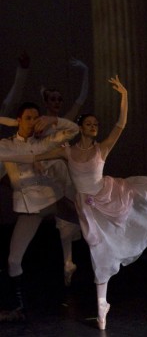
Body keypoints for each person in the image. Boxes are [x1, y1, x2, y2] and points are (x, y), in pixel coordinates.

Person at [29, 76, 147, 330]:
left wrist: (124, 94)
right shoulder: (68, 151)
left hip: (112, 195)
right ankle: (102, 305)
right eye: (89, 124)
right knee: (98, 251)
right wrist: (33, 160)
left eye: (95, 124)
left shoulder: (102, 148)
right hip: (89, 207)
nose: (93, 127)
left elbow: (121, 124)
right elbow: (39, 154)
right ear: (81, 127)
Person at [0, 103, 80, 321]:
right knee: (13, 260)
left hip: (53, 199)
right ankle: (19, 308)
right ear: (19, 120)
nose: (33, 122)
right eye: (28, 118)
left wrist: (53, 120)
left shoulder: (44, 141)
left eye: (36, 118)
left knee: (91, 224)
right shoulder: (6, 145)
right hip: (30, 209)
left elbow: (73, 130)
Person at [41, 58, 89, 123]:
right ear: (46, 103)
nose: (57, 102)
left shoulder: (64, 121)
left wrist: (86, 71)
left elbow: (82, 98)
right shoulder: (40, 122)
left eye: (60, 99)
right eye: (53, 99)